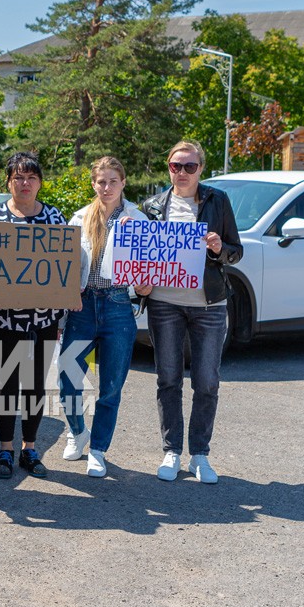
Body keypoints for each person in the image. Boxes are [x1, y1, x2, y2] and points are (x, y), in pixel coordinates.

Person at [142, 141, 243, 484]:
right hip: (164, 302)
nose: (181, 172)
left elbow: (236, 251)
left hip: (208, 304)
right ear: (167, 167)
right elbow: (141, 257)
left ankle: (199, 454)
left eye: (189, 166)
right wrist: (138, 285)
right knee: (168, 379)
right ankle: (172, 451)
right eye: (175, 166)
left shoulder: (218, 201)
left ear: (202, 168)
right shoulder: (153, 205)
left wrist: (218, 248)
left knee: (206, 381)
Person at [0, 152, 67, 479]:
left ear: (40, 182)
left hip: (44, 317)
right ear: (8, 183)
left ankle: (29, 447)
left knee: (36, 383)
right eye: (18, 178)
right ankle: (5, 449)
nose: (24, 183)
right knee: (8, 381)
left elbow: (65, 266)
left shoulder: (55, 219)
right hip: (3, 317)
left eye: (31, 178)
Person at [56, 156, 149, 478]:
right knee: (67, 378)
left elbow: (146, 278)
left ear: (123, 182)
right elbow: (65, 267)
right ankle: (77, 431)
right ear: (93, 184)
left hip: (118, 305)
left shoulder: (139, 220)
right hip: (81, 306)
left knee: (111, 386)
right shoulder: (79, 218)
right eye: (101, 182)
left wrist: (145, 285)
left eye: (112, 181)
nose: (106, 187)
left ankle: (98, 449)